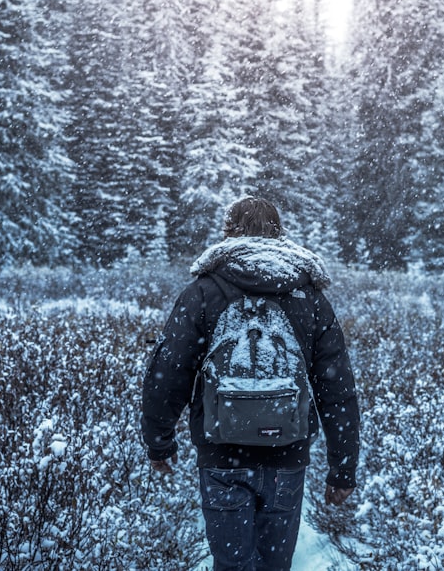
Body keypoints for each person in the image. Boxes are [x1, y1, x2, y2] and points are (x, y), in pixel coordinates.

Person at [141, 197, 361, 570]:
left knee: (231, 565)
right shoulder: (310, 297)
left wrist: (159, 443)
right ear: (279, 232)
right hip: (286, 455)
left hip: (222, 455)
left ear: (229, 231)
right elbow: (337, 390)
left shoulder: (202, 293)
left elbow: (168, 373)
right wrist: (343, 469)